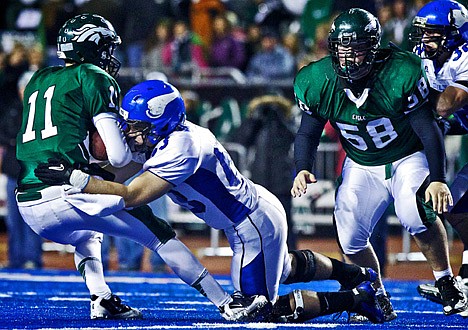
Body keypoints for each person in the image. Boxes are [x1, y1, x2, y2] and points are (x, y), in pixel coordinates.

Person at [34, 79, 386, 324]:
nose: (131, 134)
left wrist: (77, 179)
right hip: (249, 218)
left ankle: (359, 299)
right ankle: (357, 274)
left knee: (260, 308)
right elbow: (120, 162)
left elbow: (132, 194)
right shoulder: (165, 140)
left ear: (161, 124)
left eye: (138, 127)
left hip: (251, 224)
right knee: (283, 269)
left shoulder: (181, 147)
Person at [15, 13, 257, 321]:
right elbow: (117, 157)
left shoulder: (38, 78)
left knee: (87, 235)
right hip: (66, 191)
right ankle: (225, 302)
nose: (109, 55)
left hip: (28, 200)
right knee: (159, 234)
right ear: (90, 47)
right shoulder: (93, 77)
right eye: (104, 47)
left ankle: (101, 297)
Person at [290, 8, 466, 321]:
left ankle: (447, 281)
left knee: (415, 212)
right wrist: (303, 166)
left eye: (356, 50)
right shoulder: (317, 80)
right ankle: (373, 295)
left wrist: (438, 178)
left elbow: (427, 127)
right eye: (342, 50)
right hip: (361, 164)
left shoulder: (400, 71)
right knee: (349, 233)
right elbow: (308, 131)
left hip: (407, 156)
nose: (348, 58)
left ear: (373, 48)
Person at [408, 0, 468, 316]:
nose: (425, 40)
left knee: (459, 203)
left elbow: (445, 104)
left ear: (455, 33)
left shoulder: (465, 55)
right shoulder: (429, 55)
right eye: (424, 32)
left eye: (433, 33)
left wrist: (415, 102)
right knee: (459, 206)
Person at [230, 94, 298, 250]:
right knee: (258, 221)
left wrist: (279, 118)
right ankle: (259, 253)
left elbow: (293, 136)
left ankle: (291, 257)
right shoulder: (257, 124)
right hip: (259, 180)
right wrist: (255, 119)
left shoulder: (286, 124)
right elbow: (241, 139)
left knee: (285, 221)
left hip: (281, 180)